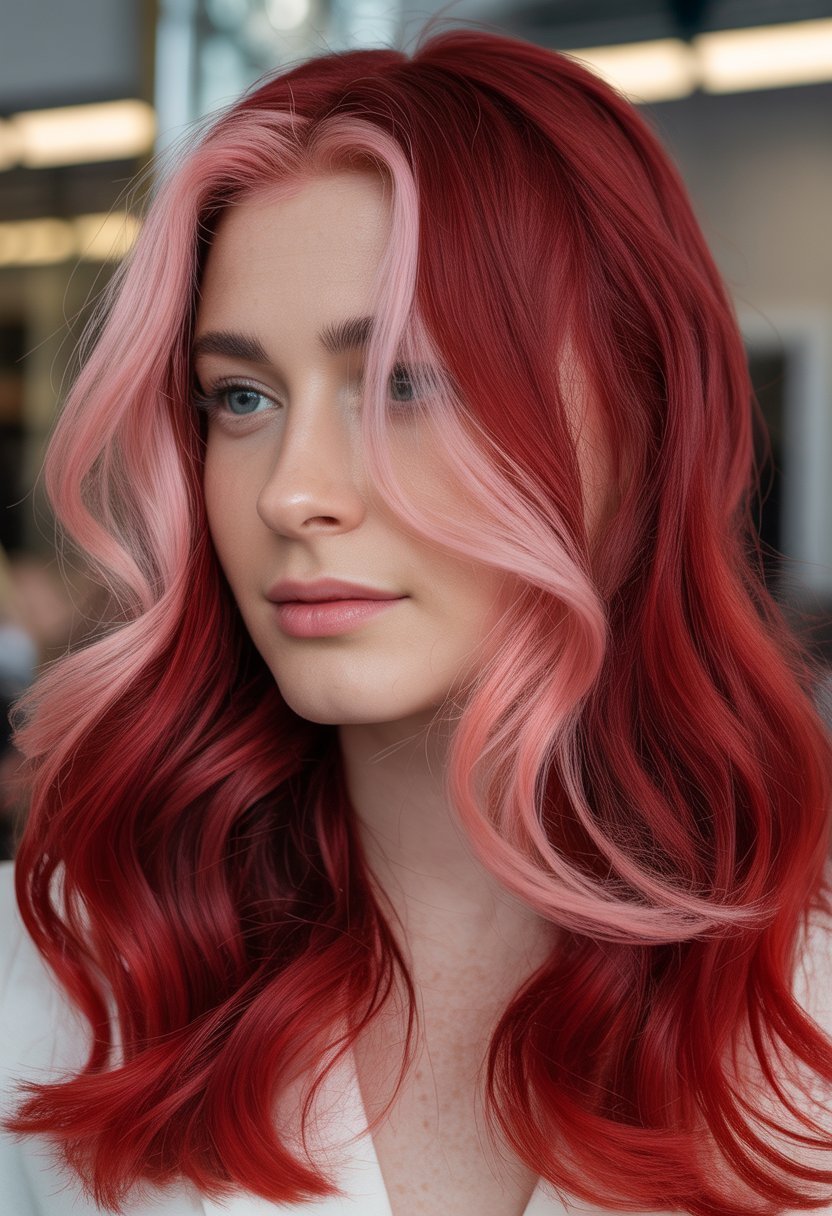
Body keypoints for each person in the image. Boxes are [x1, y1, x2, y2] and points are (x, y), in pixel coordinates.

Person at [1, 23, 831, 1216]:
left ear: (641, 419)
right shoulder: (56, 989)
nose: (291, 490)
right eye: (240, 396)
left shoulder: (806, 1023)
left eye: (401, 380)